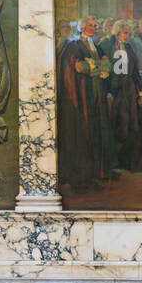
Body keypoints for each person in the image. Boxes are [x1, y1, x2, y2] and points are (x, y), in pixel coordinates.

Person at [57, 15, 117, 189]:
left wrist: (95, 65)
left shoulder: (95, 45)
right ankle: (82, 178)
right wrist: (96, 67)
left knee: (97, 131)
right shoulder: (74, 45)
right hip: (83, 96)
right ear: (82, 27)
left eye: (96, 25)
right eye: (90, 25)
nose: (94, 28)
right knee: (83, 133)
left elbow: (108, 65)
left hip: (96, 94)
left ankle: (99, 171)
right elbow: (78, 67)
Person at [106, 20, 142, 174]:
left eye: (129, 33)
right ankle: (115, 164)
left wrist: (140, 89)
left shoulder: (129, 48)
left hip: (130, 91)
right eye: (125, 33)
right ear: (118, 33)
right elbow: (112, 74)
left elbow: (134, 72)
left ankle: (130, 164)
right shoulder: (110, 46)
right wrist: (110, 92)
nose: (127, 36)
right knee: (120, 125)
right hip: (117, 92)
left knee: (133, 125)